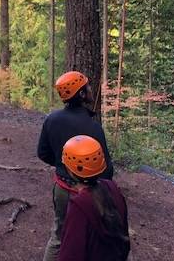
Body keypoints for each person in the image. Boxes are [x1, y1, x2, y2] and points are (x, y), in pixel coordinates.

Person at [37, 71, 114, 261]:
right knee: (90, 235)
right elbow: (106, 169)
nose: (90, 89)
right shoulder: (93, 127)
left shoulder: (52, 120)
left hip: (62, 187)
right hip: (89, 192)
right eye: (87, 87)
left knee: (58, 235)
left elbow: (43, 153)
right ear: (80, 94)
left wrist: (62, 165)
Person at [59, 135, 130, 261]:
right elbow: (123, 231)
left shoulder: (79, 205)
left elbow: (71, 253)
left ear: (70, 170)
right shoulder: (112, 187)